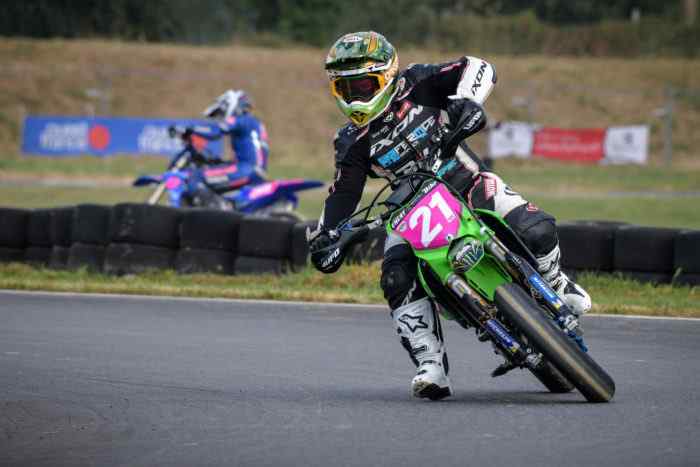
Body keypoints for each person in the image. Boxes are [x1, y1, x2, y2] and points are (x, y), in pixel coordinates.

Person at [307, 31, 592, 401]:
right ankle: (430, 365)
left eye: (364, 85)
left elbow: (478, 67)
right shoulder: (350, 139)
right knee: (395, 277)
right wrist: (329, 234)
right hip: (408, 212)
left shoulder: (418, 82)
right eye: (346, 89)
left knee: (535, 229)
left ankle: (557, 283)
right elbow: (344, 192)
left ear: (388, 75)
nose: (356, 96)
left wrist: (469, 102)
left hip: (465, 181)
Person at [182, 90, 269, 206]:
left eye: (222, 112)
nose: (222, 117)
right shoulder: (254, 122)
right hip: (257, 171)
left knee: (196, 176)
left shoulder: (240, 119)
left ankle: (215, 211)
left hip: (245, 169)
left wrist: (191, 129)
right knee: (215, 169)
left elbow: (215, 131)